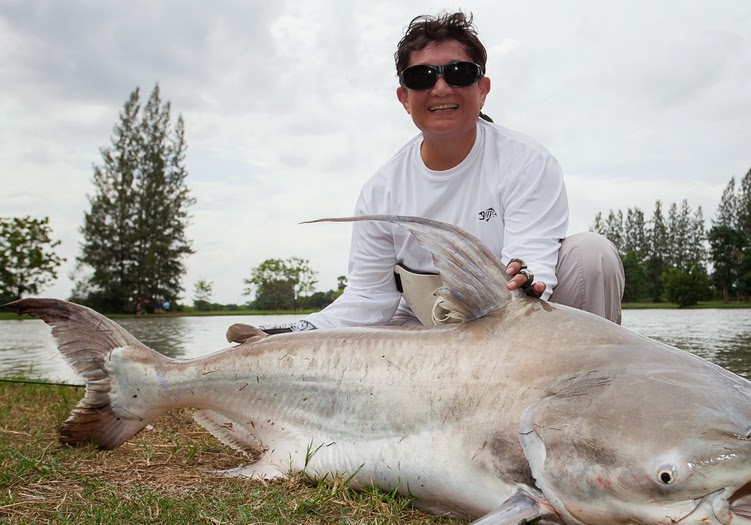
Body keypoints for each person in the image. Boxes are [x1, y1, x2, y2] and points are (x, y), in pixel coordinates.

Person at [228, 11, 623, 344]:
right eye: (421, 77)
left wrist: (524, 284)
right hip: (423, 326)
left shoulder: (528, 162)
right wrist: (287, 333)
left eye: (459, 73)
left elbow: (533, 267)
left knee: (592, 254)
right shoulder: (381, 190)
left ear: (482, 89)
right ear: (404, 97)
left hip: (514, 320)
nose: (441, 87)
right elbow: (367, 299)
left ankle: (589, 388)